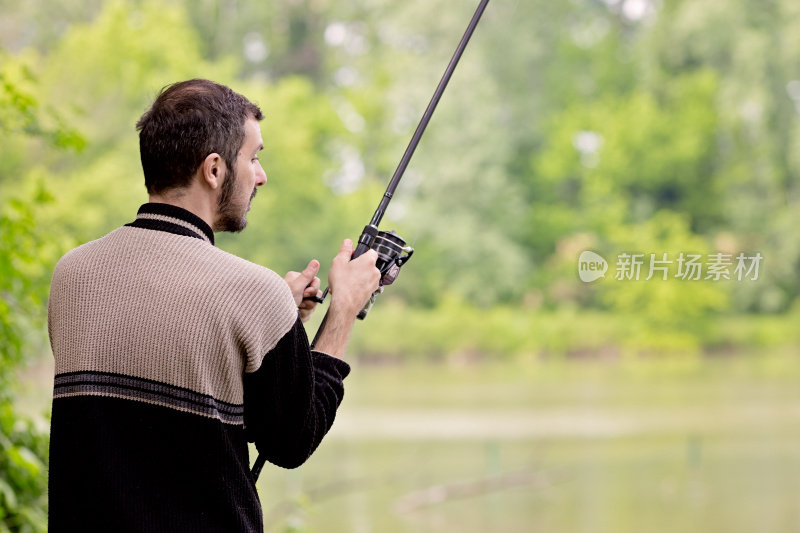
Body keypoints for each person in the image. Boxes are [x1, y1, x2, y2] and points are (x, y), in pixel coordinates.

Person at [47, 78, 380, 532]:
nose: (260, 175)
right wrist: (342, 308)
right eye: (255, 157)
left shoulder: (73, 274)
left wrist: (276, 320)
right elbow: (292, 441)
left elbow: (158, 352)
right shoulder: (253, 294)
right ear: (215, 169)